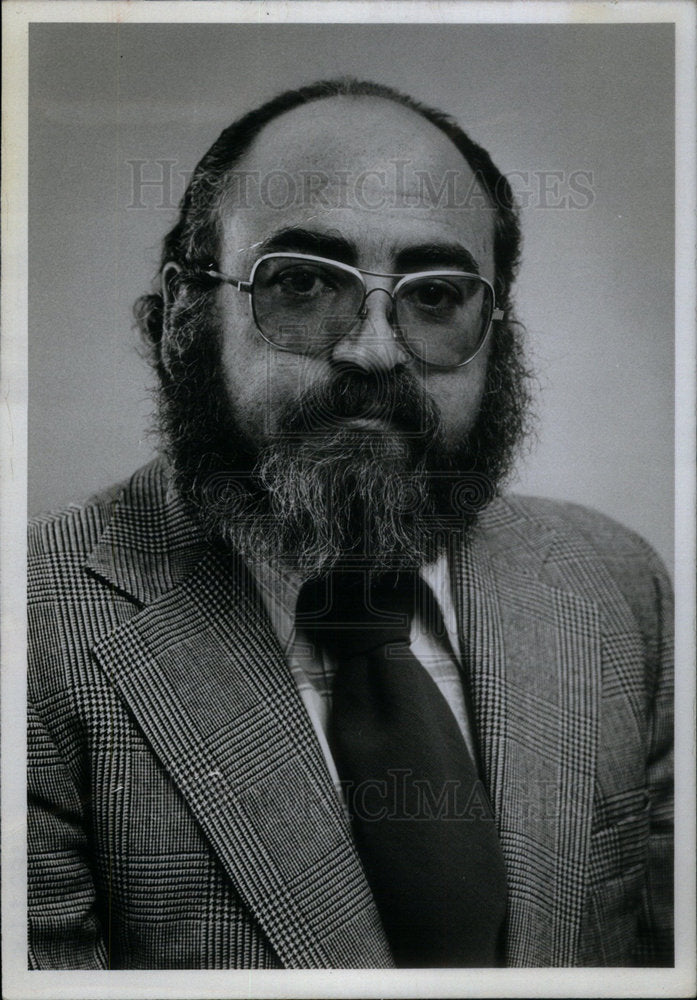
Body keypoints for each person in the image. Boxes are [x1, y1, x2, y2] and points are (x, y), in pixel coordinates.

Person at [27, 78, 673, 970]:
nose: (373, 350)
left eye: (435, 295)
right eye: (299, 284)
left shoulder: (616, 581)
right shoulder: (28, 639)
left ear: (496, 329)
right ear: (183, 311)